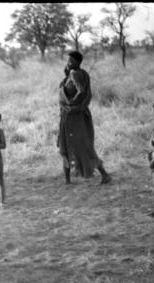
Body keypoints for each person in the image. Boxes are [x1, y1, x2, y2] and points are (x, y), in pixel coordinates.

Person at [58, 51, 111, 185]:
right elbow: (84, 93)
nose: (68, 63)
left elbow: (81, 91)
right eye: (67, 60)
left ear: (77, 62)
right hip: (75, 116)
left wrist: (71, 104)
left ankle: (102, 175)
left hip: (73, 117)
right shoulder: (83, 73)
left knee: (76, 146)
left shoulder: (74, 74)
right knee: (80, 146)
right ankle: (68, 180)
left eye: (71, 61)